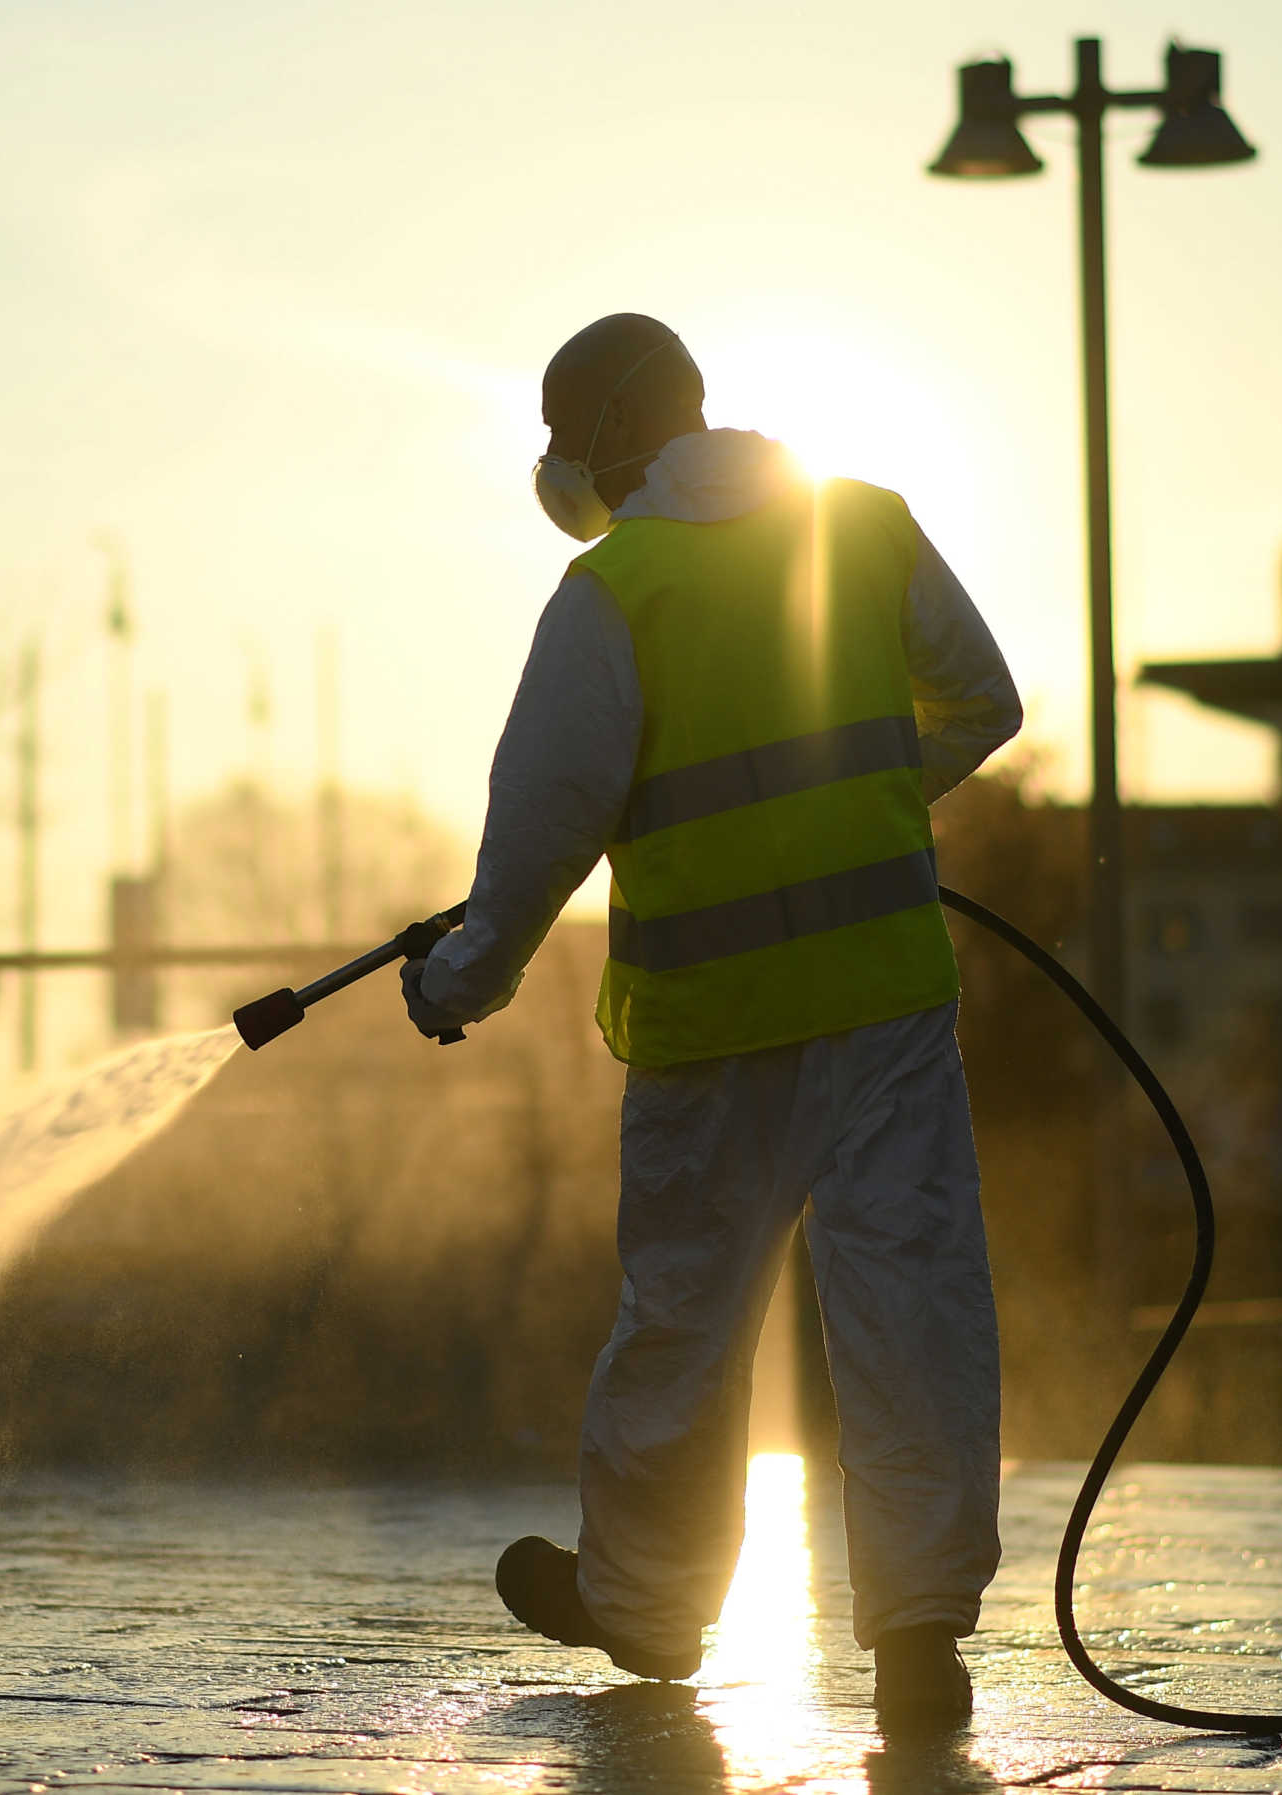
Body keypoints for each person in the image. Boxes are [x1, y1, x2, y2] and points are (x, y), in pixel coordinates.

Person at [402, 313, 1022, 1730]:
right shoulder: (862, 528)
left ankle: (644, 1608)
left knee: (684, 1323)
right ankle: (922, 1639)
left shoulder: (616, 590)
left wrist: (457, 984)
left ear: (608, 437)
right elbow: (983, 705)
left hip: (712, 1026)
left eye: (565, 442)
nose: (564, 470)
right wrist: (863, 801)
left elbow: (538, 840)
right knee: (914, 1310)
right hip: (884, 1013)